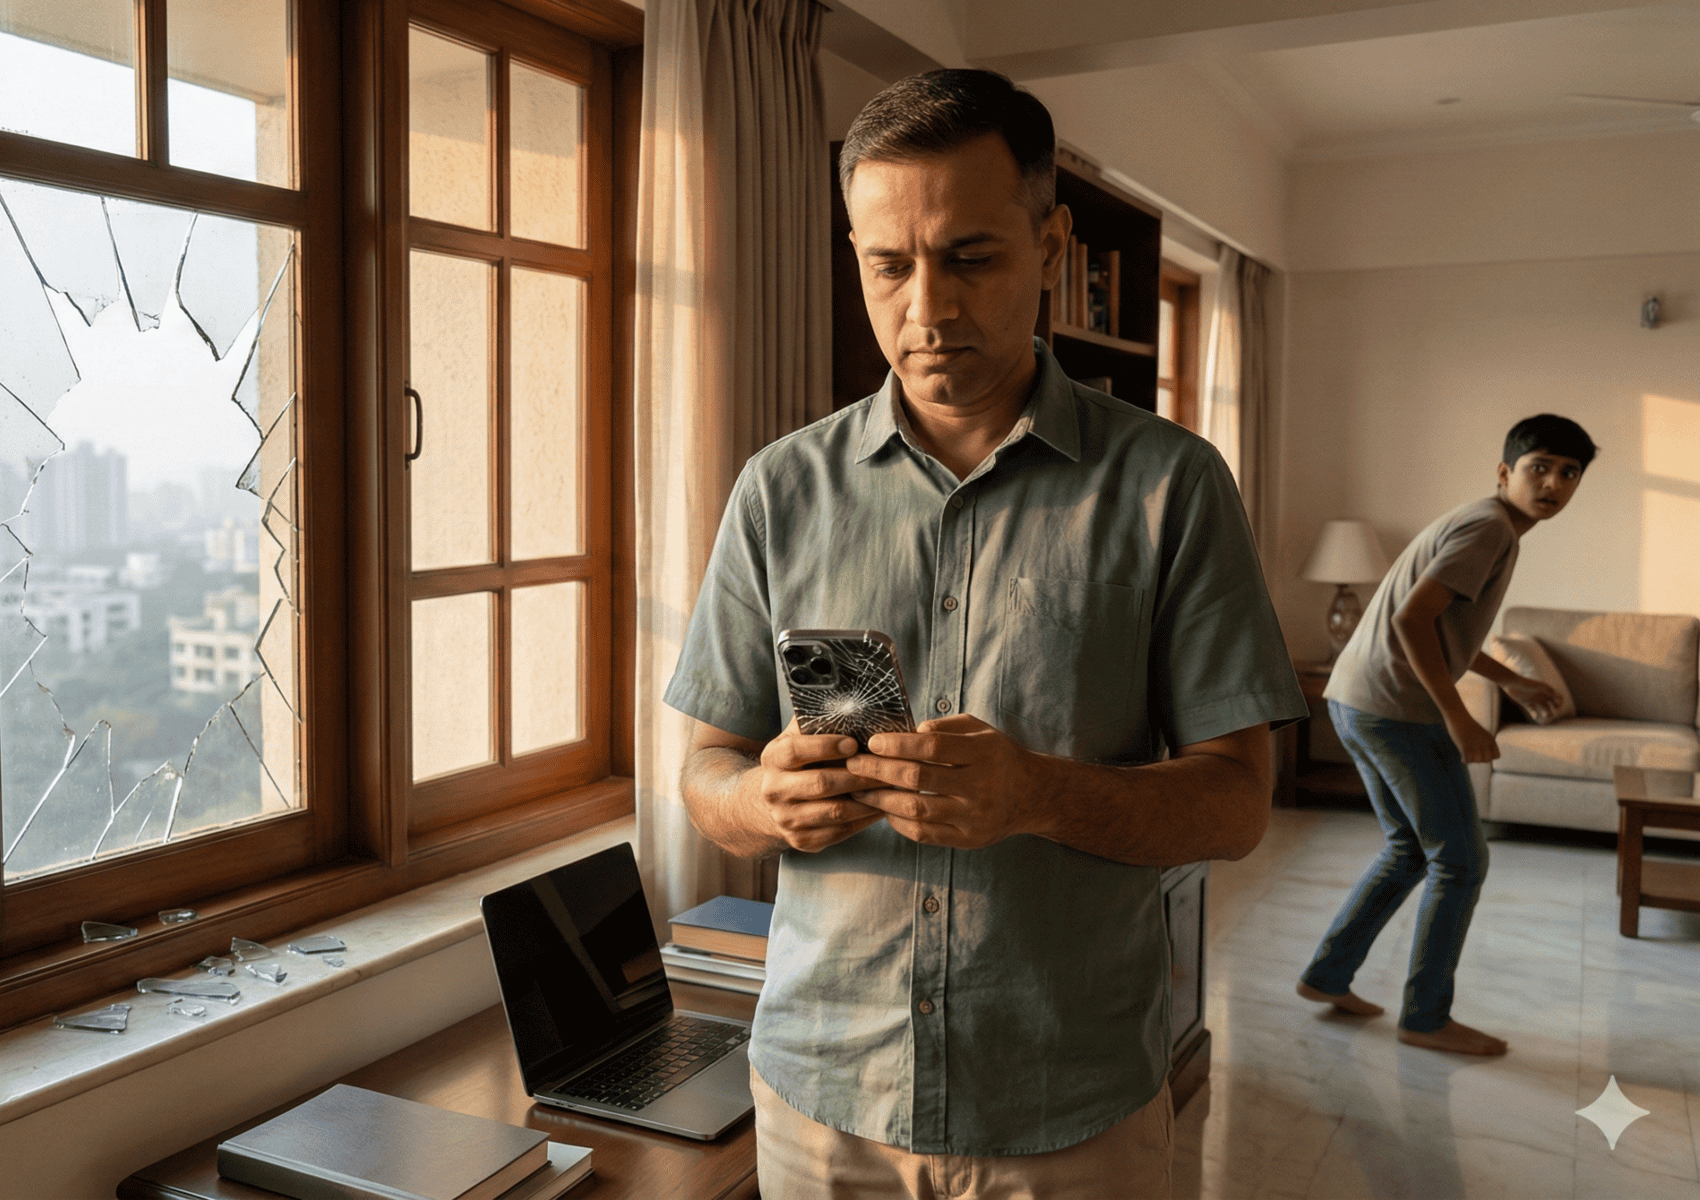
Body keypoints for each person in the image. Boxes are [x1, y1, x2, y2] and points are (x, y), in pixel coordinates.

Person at [663, 68, 1306, 1200]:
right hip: (821, 1100)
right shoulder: (779, 492)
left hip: (1066, 1106)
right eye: (887, 265)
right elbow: (703, 772)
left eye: (969, 257)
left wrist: (1036, 796)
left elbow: (1236, 804)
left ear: (1051, 243)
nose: (927, 310)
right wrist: (759, 801)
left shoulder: (1170, 489)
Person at [1295, 414, 1594, 1056]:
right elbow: (1411, 619)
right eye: (1539, 466)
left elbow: (1446, 627)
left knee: (1409, 849)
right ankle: (1426, 1018)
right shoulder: (1490, 528)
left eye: (1568, 472)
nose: (1553, 482)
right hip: (1395, 709)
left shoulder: (1488, 524)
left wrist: (1508, 681)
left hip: (1355, 697)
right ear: (1504, 471)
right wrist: (1459, 716)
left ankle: (1328, 975)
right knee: (1460, 859)